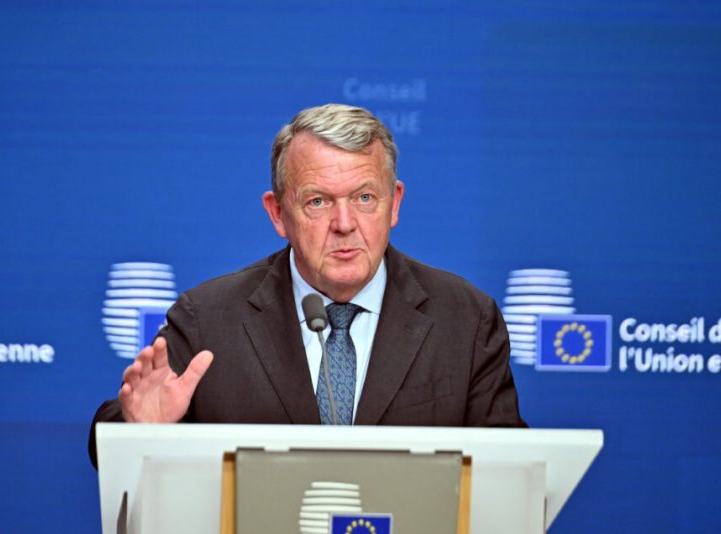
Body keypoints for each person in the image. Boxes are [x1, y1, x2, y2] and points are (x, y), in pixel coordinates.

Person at [89, 103, 527, 463]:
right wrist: (139, 431)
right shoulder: (208, 319)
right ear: (278, 213)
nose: (344, 223)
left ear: (394, 204)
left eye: (364, 198)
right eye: (317, 202)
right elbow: (107, 441)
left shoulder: (465, 320)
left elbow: (511, 467)